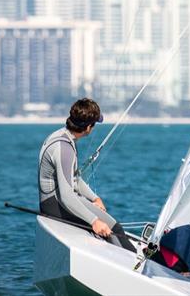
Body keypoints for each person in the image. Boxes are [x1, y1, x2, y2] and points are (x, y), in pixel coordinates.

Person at [37, 98, 136, 253]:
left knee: (108, 225)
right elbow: (66, 196)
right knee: (114, 227)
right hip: (54, 205)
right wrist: (94, 221)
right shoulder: (64, 148)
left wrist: (95, 199)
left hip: (54, 201)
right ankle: (136, 264)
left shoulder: (61, 136)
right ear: (88, 127)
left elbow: (74, 179)